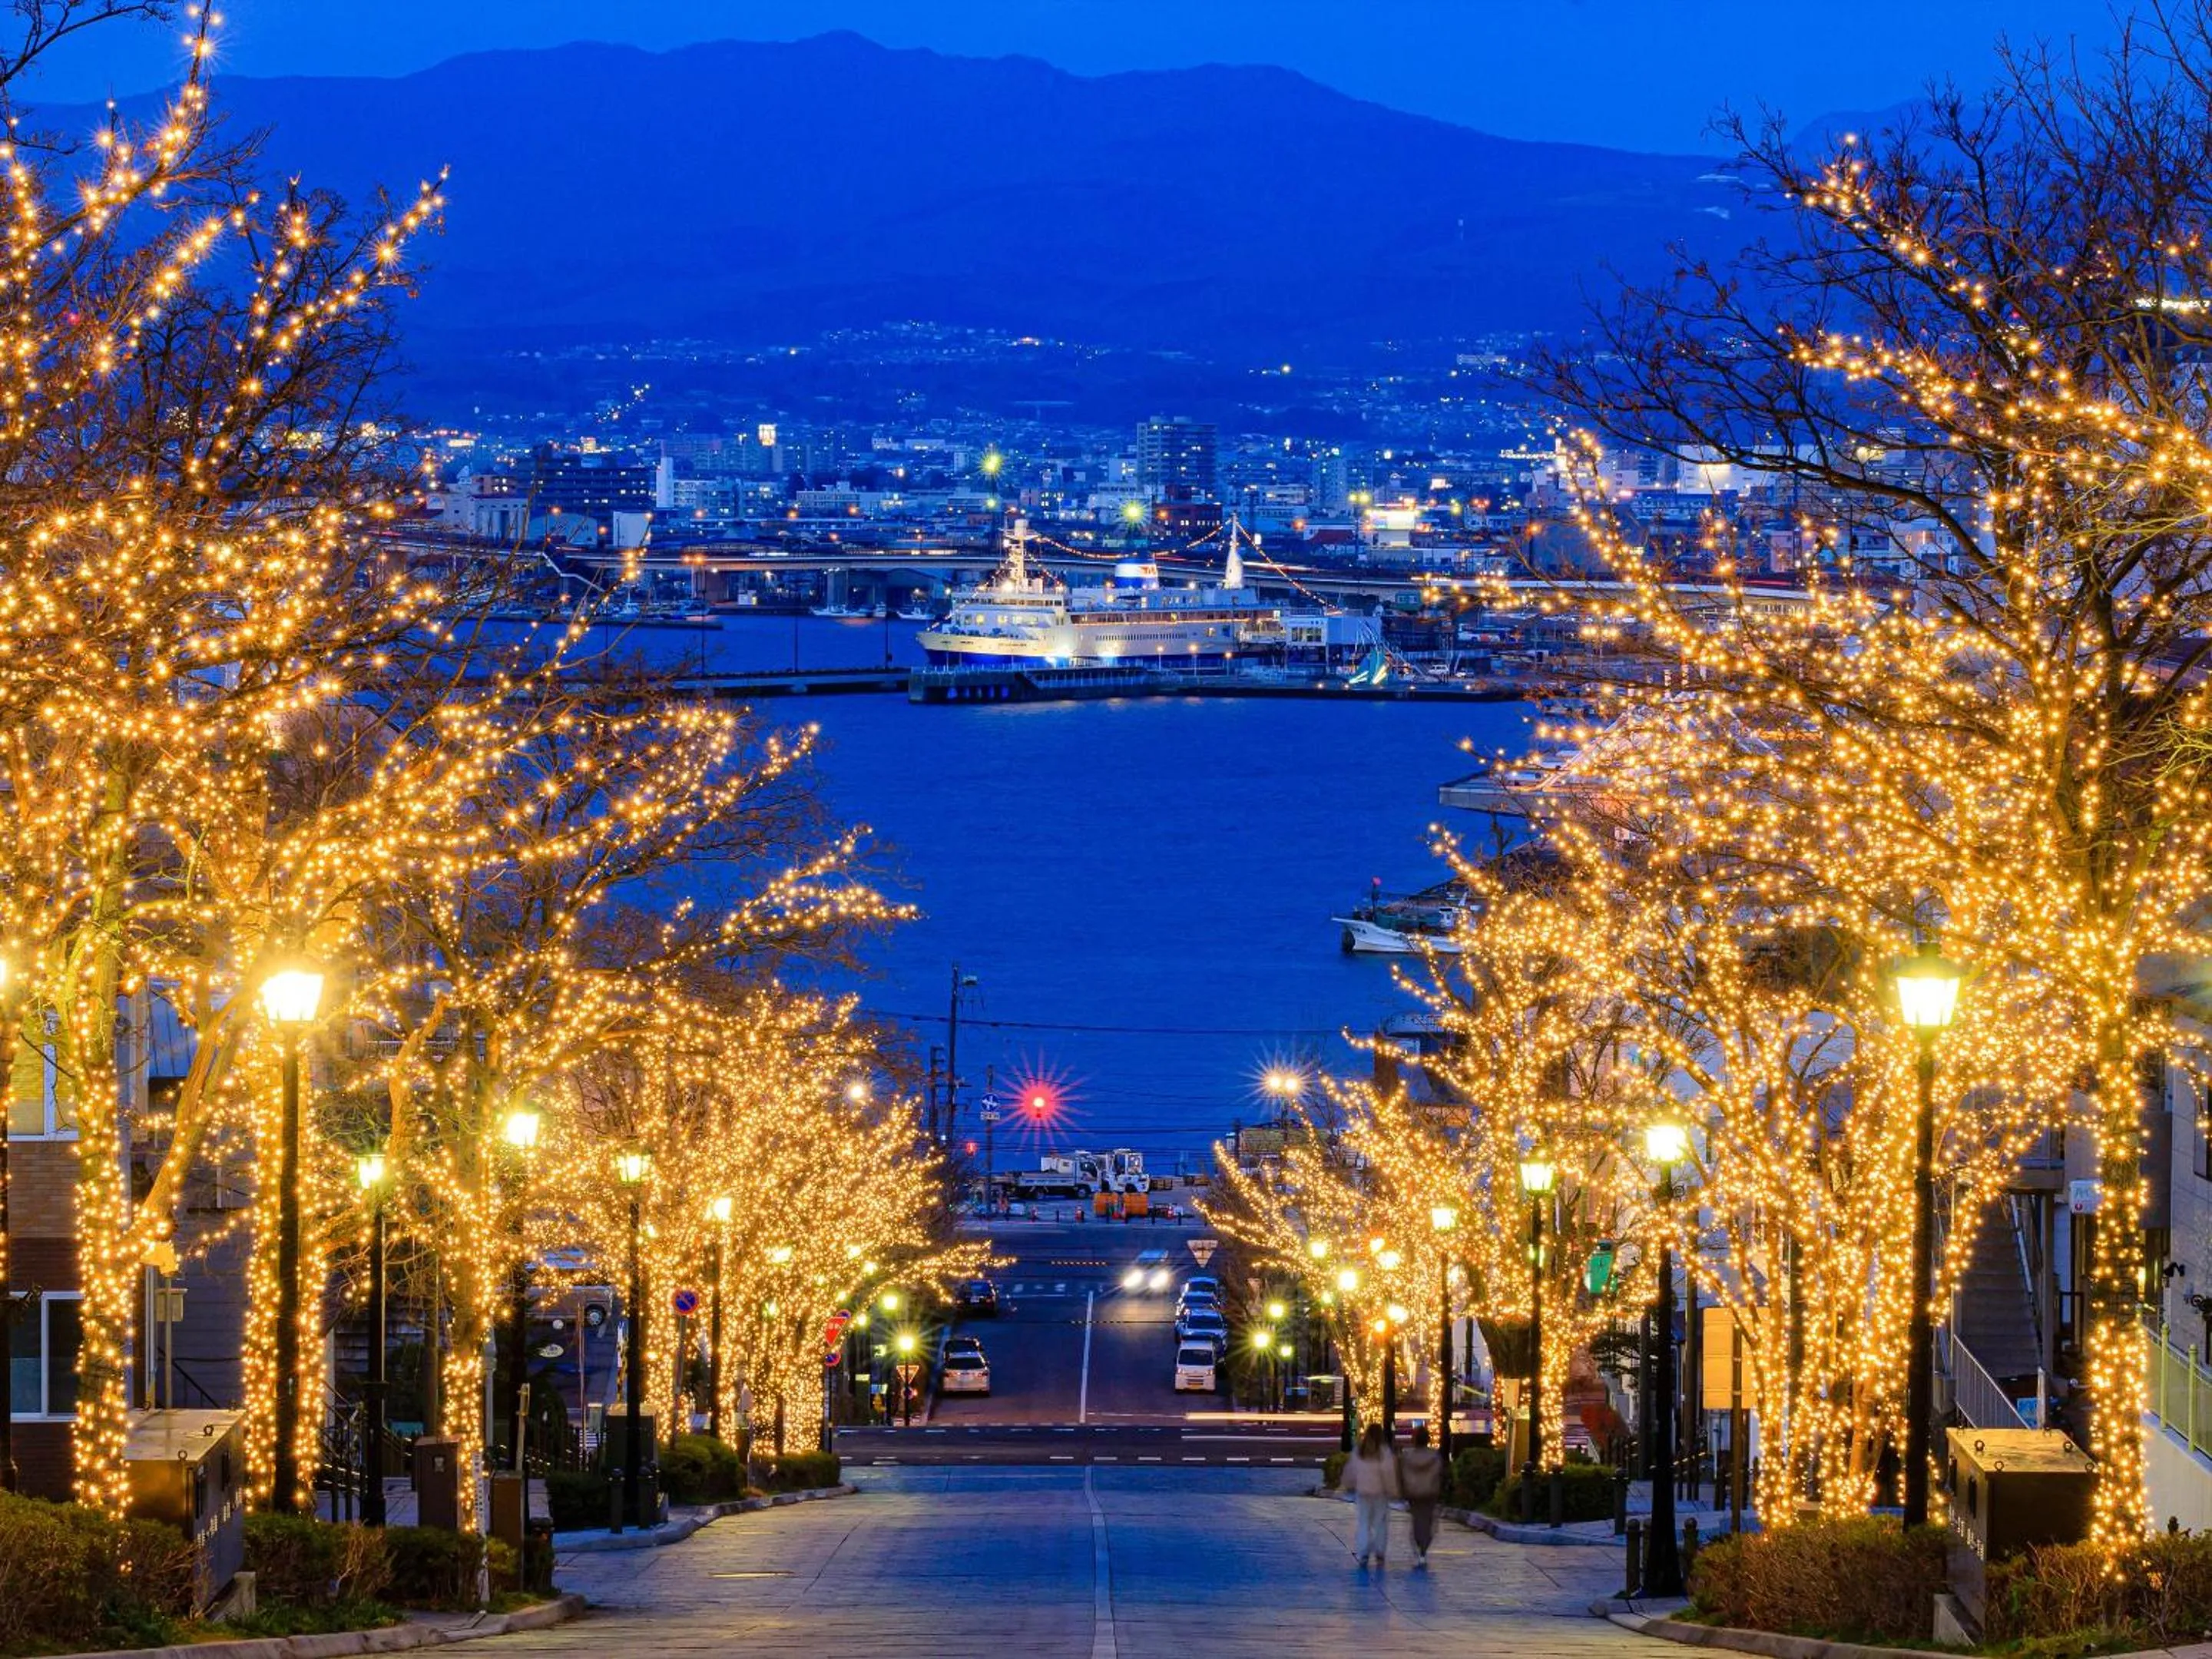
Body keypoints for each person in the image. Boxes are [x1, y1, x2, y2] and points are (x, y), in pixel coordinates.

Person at [1344, 1421, 1400, 1568]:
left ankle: (1363, 1553)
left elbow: (1351, 1470)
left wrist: (1349, 1484)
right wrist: (1393, 1490)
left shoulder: (1359, 1451)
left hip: (1363, 1493)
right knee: (1380, 1524)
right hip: (1380, 1494)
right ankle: (1380, 1552)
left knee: (1363, 1523)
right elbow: (1388, 1473)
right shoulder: (1384, 1452)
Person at [1398, 1424, 1445, 1567]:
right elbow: (1440, 1474)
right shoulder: (1435, 1456)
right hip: (1430, 1492)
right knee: (1428, 1521)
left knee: (1417, 1520)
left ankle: (1419, 1545)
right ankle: (1424, 1548)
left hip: (1413, 1493)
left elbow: (1402, 1474)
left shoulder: (1407, 1456)